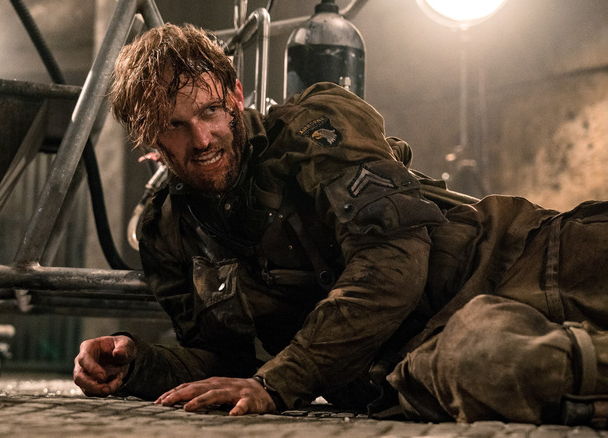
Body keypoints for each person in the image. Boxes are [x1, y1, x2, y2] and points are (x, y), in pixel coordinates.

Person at [74, 23, 608, 425]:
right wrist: (137, 365)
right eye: (176, 126)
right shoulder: (167, 231)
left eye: (210, 112)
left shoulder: (313, 127)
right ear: (149, 138)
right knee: (490, 362)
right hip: (432, 355)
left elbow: (393, 261)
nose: (203, 139)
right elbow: (226, 360)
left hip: (524, 257)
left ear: (235, 97)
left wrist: (280, 383)